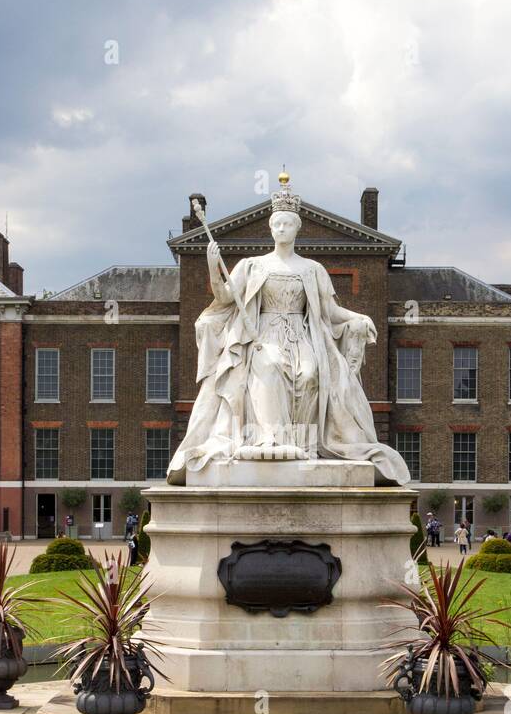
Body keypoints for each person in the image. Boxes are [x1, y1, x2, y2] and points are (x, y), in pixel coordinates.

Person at [166, 173, 410, 486]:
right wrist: (214, 269)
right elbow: (226, 298)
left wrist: (357, 318)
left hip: (301, 333)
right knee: (268, 367)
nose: (281, 229)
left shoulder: (312, 269)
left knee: (309, 374)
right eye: (277, 224)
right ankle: (268, 440)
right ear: (270, 229)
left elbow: (330, 311)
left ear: (297, 228)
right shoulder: (253, 265)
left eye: (287, 224)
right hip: (263, 333)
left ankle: (305, 446)